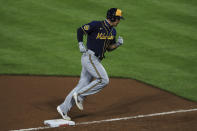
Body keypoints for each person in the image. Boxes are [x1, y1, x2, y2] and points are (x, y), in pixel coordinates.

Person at [57, 8, 124, 120]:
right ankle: (80, 95)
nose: (119, 21)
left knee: (81, 85)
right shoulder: (96, 25)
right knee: (104, 80)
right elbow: (80, 30)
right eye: (118, 19)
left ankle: (63, 108)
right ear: (112, 17)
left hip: (95, 61)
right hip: (89, 58)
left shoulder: (113, 31)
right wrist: (80, 44)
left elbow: (108, 48)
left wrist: (117, 44)